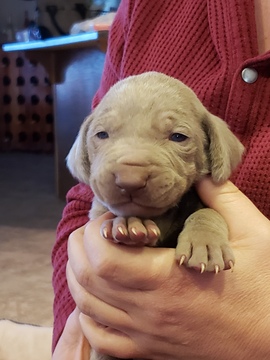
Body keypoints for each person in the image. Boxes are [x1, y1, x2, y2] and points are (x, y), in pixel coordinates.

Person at [52, 0, 270, 358]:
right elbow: (81, 208)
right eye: (103, 135)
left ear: (212, 146)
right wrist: (74, 326)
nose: (130, 175)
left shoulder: (204, 180)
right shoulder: (144, 7)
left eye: (178, 137)